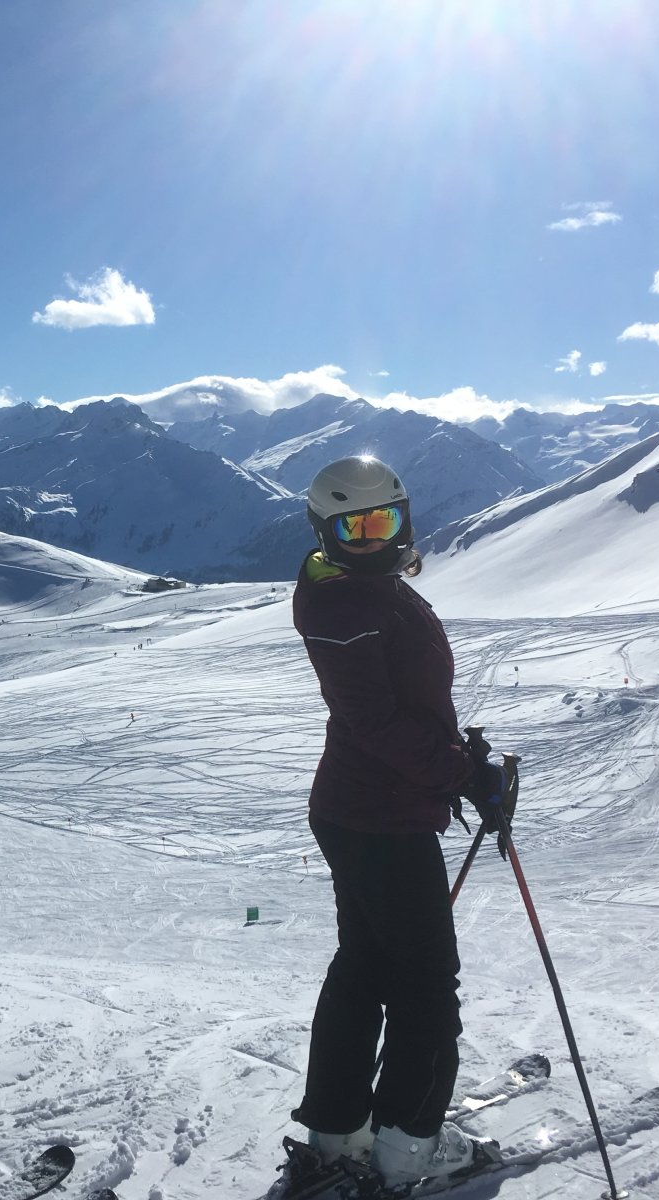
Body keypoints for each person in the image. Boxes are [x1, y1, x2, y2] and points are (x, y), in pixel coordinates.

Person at [287, 455, 505, 1189]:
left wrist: (454, 757)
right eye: (353, 528)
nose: (372, 540)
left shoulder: (357, 586)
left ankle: (339, 1132)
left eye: (382, 522)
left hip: (364, 807)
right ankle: (408, 1143)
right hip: (380, 817)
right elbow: (377, 723)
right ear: (326, 531)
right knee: (425, 987)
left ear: (403, 518)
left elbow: (393, 714)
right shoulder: (350, 605)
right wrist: (463, 773)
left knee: (366, 967)